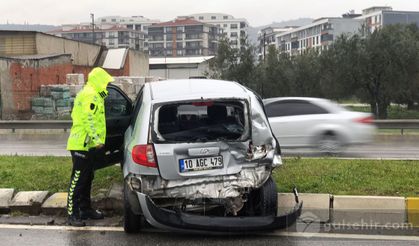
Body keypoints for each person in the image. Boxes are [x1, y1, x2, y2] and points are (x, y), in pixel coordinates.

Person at [66, 67, 114, 226]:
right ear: (98, 81)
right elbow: (88, 118)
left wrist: (108, 91)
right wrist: (96, 139)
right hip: (82, 144)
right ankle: (72, 214)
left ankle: (85, 209)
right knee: (78, 180)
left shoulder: (91, 92)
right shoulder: (90, 95)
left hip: (87, 145)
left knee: (87, 178)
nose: (106, 86)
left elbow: (101, 99)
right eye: (105, 83)